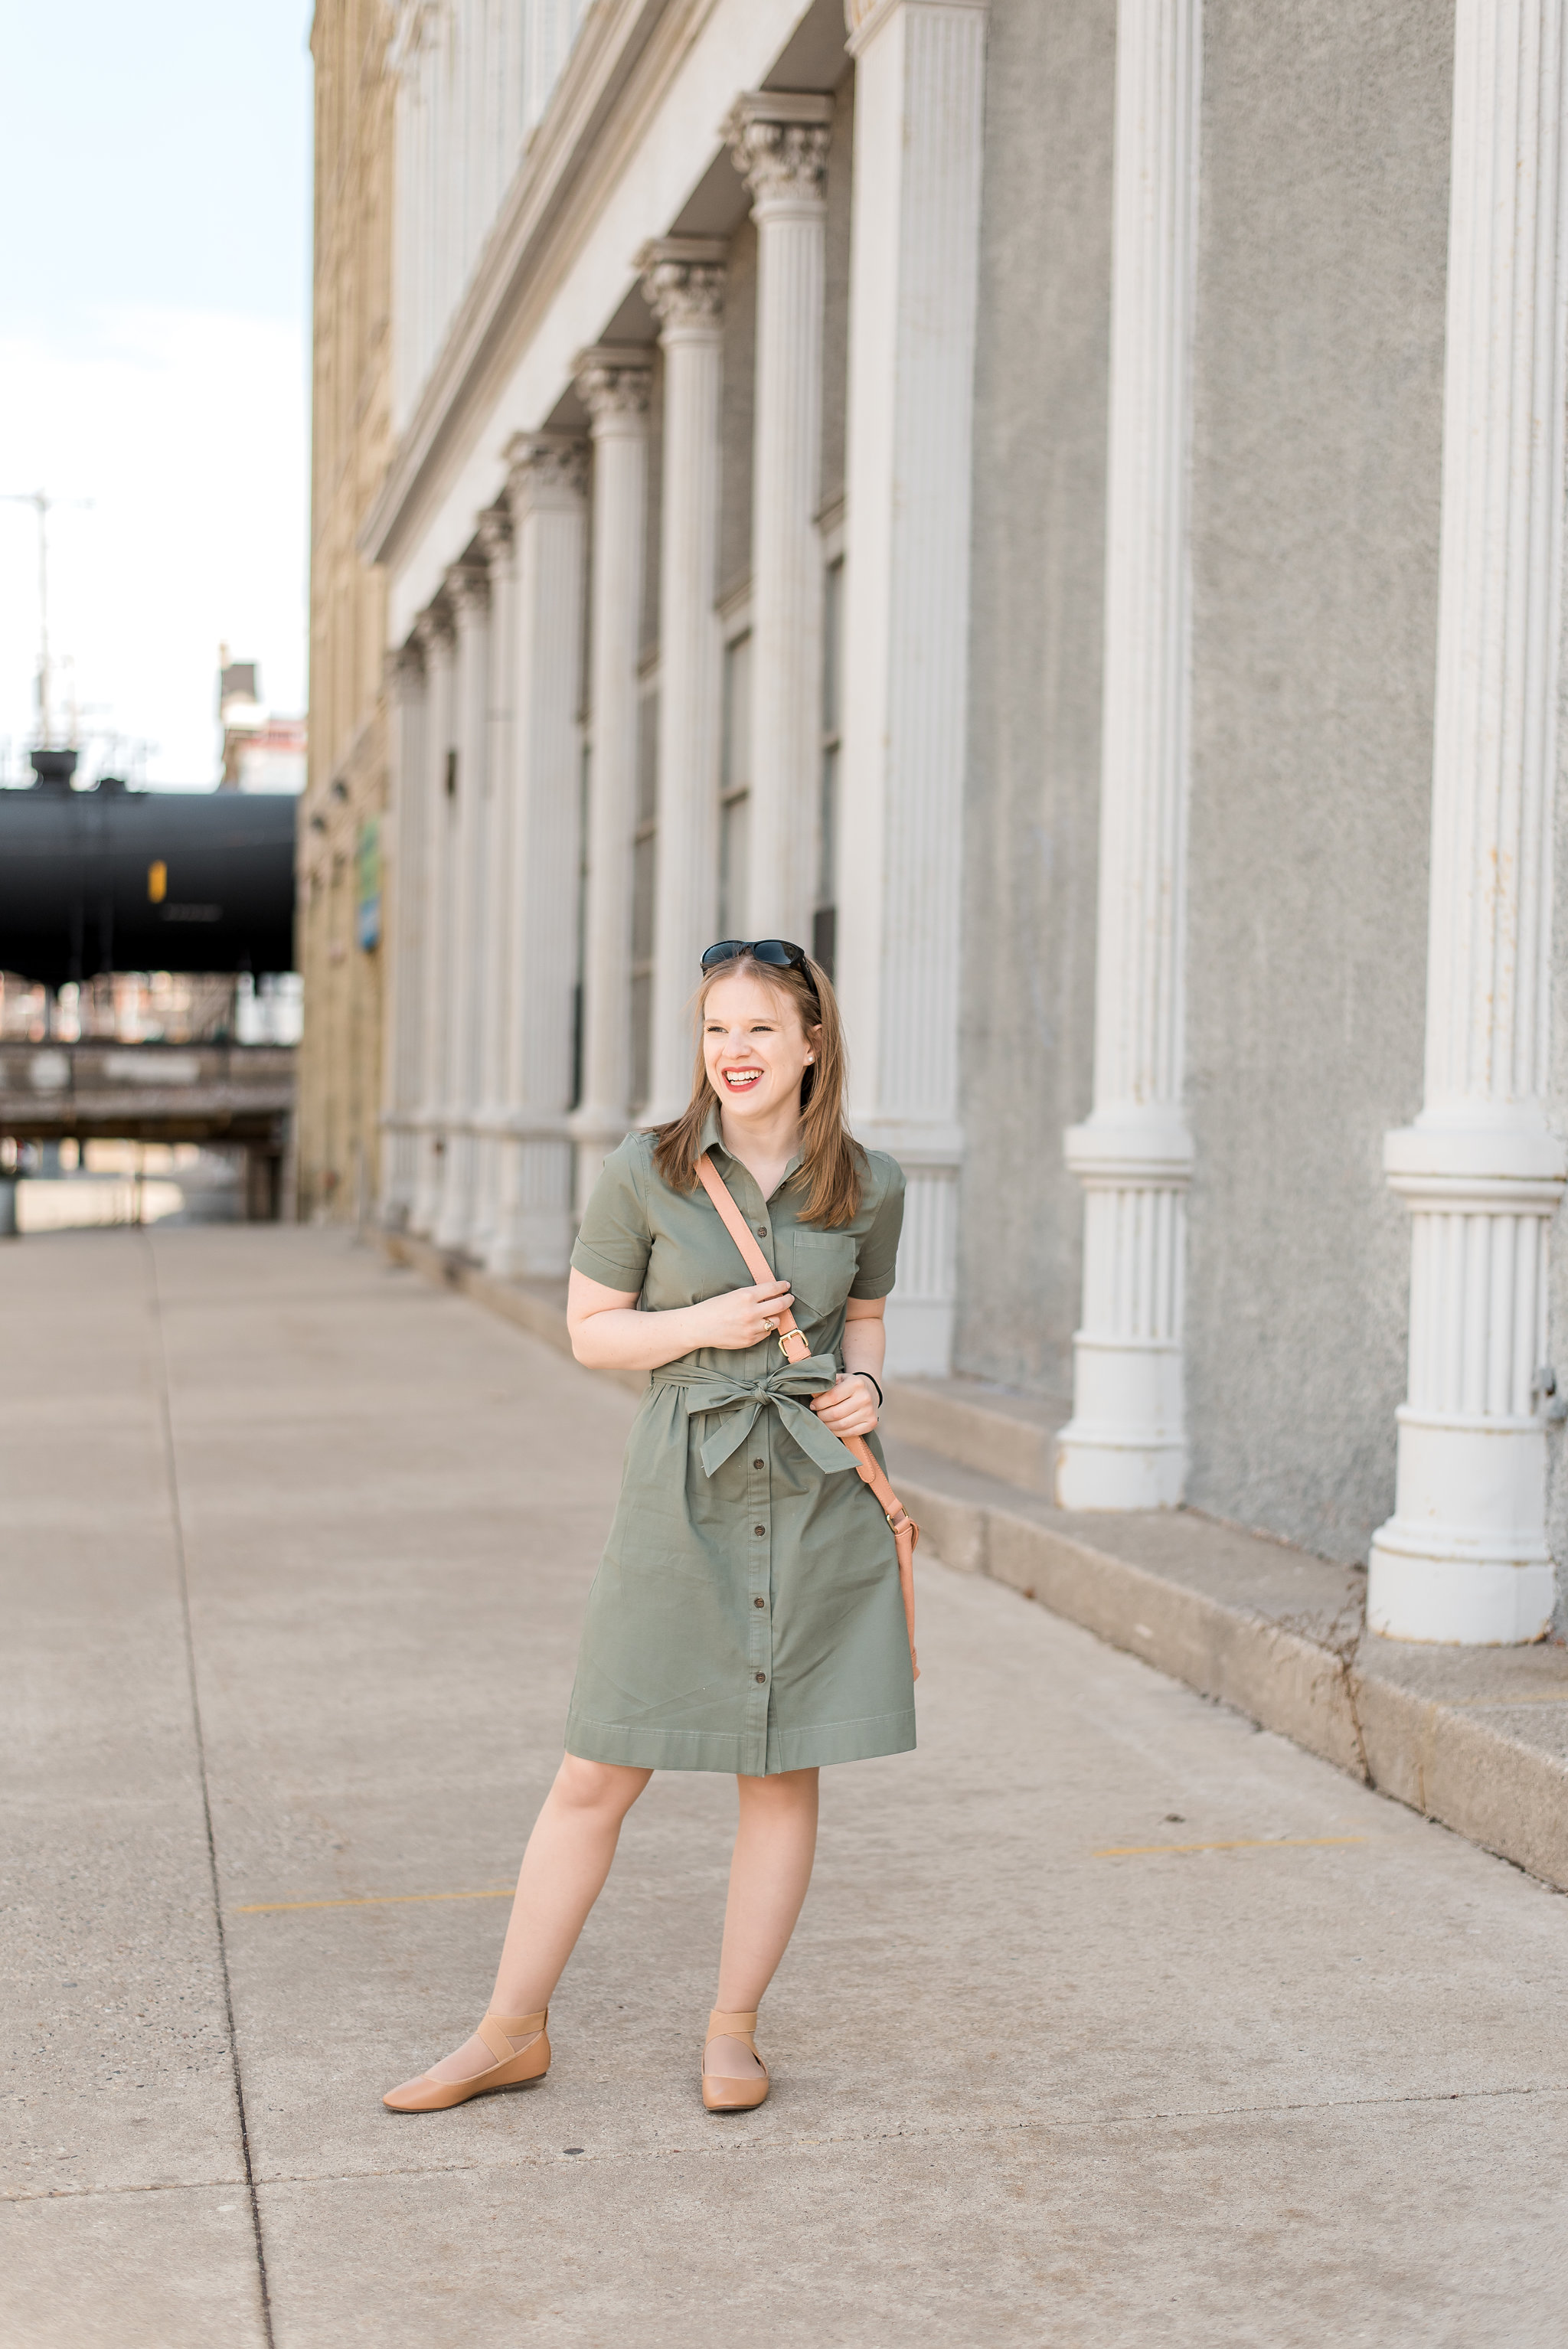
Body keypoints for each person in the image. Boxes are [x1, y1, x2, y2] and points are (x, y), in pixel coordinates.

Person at [384, 940, 912, 2115]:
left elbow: (864, 1319)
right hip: (682, 1487)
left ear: (813, 1043)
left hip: (816, 1491)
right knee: (597, 1766)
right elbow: (592, 1331)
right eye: (718, 1029)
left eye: (762, 1029)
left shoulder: (869, 1184)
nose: (735, 1052)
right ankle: (508, 2030)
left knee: (779, 1772)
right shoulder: (648, 1170)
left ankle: (734, 2034)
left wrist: (870, 1389)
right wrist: (711, 1320)